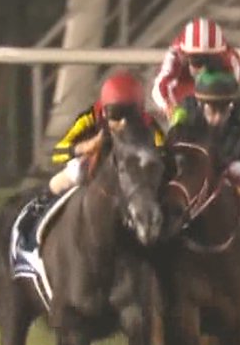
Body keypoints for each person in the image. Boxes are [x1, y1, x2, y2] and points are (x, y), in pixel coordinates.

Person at [21, 71, 163, 250]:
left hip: (134, 179)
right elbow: (58, 152)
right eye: (115, 114)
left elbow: (163, 151)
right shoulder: (90, 117)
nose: (123, 122)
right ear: (104, 110)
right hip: (95, 173)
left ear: (140, 111)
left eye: (130, 114)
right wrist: (85, 147)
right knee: (73, 172)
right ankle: (36, 215)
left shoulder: (149, 125)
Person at [168, 68, 240, 196]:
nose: (217, 118)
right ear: (201, 105)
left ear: (231, 106)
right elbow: (174, 144)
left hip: (226, 166)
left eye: (223, 111)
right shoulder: (185, 116)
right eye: (213, 110)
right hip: (192, 167)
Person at [151, 17, 240, 122]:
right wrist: (169, 107)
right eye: (197, 60)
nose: (204, 68)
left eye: (210, 60)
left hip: (216, 91)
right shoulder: (175, 53)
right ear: (185, 54)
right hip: (183, 93)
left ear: (221, 54)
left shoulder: (231, 58)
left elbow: (233, 93)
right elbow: (159, 87)